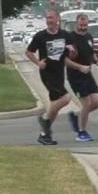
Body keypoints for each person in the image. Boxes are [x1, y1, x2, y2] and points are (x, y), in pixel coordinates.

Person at [25, 9, 75, 145]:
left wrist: (71, 51)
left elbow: (71, 53)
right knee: (66, 98)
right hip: (47, 74)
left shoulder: (65, 35)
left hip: (59, 73)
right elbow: (28, 52)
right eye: (47, 18)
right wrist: (38, 63)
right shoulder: (40, 36)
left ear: (58, 19)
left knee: (54, 106)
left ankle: (44, 135)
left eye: (51, 18)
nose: (49, 21)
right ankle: (45, 121)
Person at [65, 14, 98, 142]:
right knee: (86, 103)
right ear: (76, 24)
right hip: (75, 76)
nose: (83, 27)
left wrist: (97, 61)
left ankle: (77, 116)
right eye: (81, 25)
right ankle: (81, 132)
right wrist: (79, 67)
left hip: (88, 74)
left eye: (85, 25)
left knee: (97, 102)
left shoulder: (88, 37)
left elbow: (91, 52)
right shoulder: (69, 38)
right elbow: (64, 60)